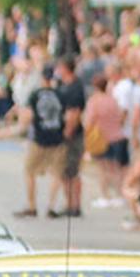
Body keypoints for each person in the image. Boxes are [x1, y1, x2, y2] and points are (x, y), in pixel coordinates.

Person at [16, 67, 66, 218]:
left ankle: (32, 205)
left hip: (39, 137)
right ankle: (51, 205)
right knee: (56, 173)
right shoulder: (61, 94)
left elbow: (28, 116)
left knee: (30, 171)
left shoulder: (35, 95)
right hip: (57, 137)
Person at [84, 72, 129, 207]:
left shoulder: (94, 101)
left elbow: (89, 121)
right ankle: (119, 195)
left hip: (103, 138)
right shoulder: (113, 100)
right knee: (116, 169)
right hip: (118, 136)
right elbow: (121, 117)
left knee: (103, 169)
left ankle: (105, 196)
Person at [53, 56, 86, 218]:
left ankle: (75, 205)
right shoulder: (63, 86)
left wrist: (67, 133)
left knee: (71, 171)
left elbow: (74, 113)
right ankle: (69, 203)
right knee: (65, 172)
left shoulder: (75, 88)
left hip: (72, 135)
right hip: (64, 133)